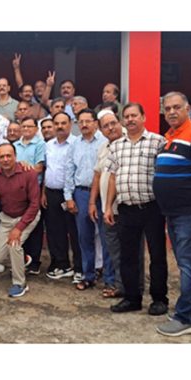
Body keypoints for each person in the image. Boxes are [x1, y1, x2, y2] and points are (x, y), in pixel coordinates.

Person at [153, 91, 191, 337]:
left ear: (188, 108)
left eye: (176, 107)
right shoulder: (170, 136)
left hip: (190, 213)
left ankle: (186, 317)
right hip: (175, 211)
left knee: (188, 264)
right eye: (167, 108)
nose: (171, 112)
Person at [104, 103, 169, 316]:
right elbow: (113, 176)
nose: (130, 119)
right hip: (126, 209)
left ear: (143, 117)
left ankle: (159, 299)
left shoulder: (158, 142)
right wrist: (108, 206)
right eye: (127, 116)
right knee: (128, 256)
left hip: (152, 207)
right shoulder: (116, 146)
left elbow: (166, 172)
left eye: (134, 115)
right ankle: (132, 298)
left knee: (157, 255)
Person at [64, 109, 109, 289]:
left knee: (107, 237)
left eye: (88, 121)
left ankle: (110, 280)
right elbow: (69, 171)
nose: (84, 125)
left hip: (104, 193)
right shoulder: (75, 144)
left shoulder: (105, 142)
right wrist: (68, 197)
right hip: (81, 193)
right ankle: (88, 275)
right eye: (80, 122)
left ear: (95, 123)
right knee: (85, 237)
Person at [0, 143, 41, 297]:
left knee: (14, 245)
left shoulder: (29, 173)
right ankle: (22, 259)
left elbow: (34, 204)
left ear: (15, 156)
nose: (5, 159)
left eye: (8, 155)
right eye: (2, 156)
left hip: (27, 216)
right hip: (6, 217)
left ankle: (20, 283)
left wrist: (18, 228)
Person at [89, 110, 125, 298]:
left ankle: (129, 286)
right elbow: (97, 175)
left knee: (129, 249)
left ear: (119, 122)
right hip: (107, 208)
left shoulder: (130, 143)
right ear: (100, 130)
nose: (111, 128)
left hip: (128, 208)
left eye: (113, 123)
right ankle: (118, 284)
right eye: (105, 126)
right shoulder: (103, 147)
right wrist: (92, 203)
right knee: (112, 248)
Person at [42, 112, 81, 280]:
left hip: (71, 194)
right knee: (54, 230)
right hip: (51, 193)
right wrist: (43, 192)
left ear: (70, 124)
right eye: (56, 123)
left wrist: (70, 196)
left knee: (75, 231)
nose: (60, 126)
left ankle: (79, 267)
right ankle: (61, 264)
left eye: (63, 123)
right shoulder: (49, 145)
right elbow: (47, 169)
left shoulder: (77, 144)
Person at [13, 117, 46, 275]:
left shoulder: (40, 144)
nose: (26, 129)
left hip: (34, 187)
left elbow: (39, 168)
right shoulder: (14, 145)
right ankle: (21, 259)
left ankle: (35, 261)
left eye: (29, 126)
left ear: (35, 129)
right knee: (19, 222)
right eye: (23, 126)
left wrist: (23, 168)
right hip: (16, 189)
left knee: (34, 224)